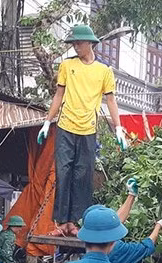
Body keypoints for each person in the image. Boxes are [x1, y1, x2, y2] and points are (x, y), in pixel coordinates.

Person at [37, 24, 129, 238]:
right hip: (66, 126)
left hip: (88, 129)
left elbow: (111, 100)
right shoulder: (67, 65)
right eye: (74, 43)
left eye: (79, 43)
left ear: (90, 44)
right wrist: (47, 122)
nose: (76, 47)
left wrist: (118, 129)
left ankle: (75, 222)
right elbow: (59, 95)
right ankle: (61, 222)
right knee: (63, 173)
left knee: (82, 175)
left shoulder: (104, 71)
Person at [86, 179, 162, 263]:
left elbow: (114, 222)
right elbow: (146, 247)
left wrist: (131, 195)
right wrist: (159, 225)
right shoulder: (120, 249)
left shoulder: (90, 240)